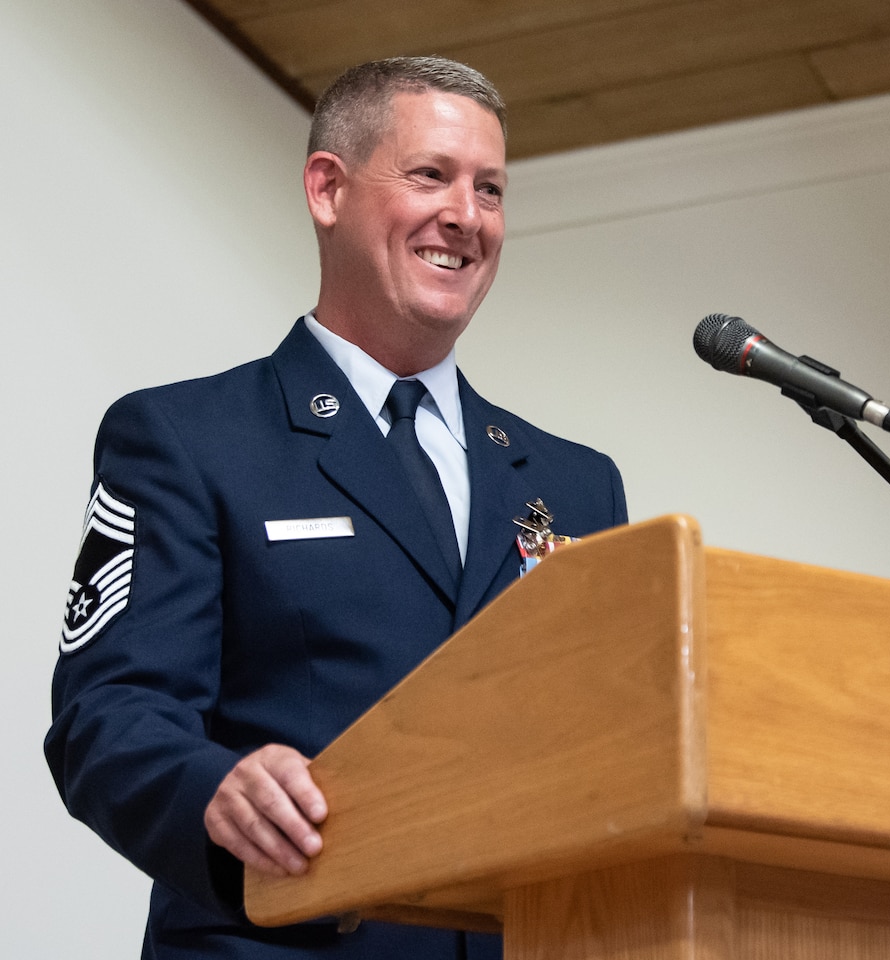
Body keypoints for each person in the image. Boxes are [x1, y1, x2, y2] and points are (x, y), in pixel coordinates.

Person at [45, 56, 627, 960]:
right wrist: (214, 788)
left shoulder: (580, 484)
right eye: (430, 175)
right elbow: (108, 719)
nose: (466, 217)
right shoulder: (187, 438)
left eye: (490, 190)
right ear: (327, 189)